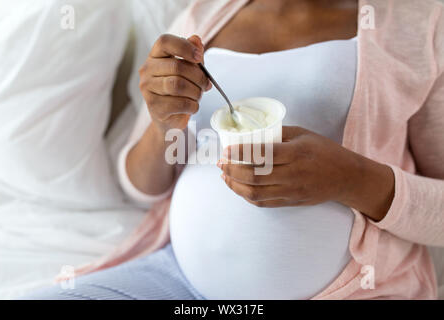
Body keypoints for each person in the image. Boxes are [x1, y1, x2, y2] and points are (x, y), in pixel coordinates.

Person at [25, 0, 444, 300]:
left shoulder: (417, 21)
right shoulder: (203, 15)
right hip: (177, 280)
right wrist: (163, 123)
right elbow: (141, 186)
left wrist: (352, 178)